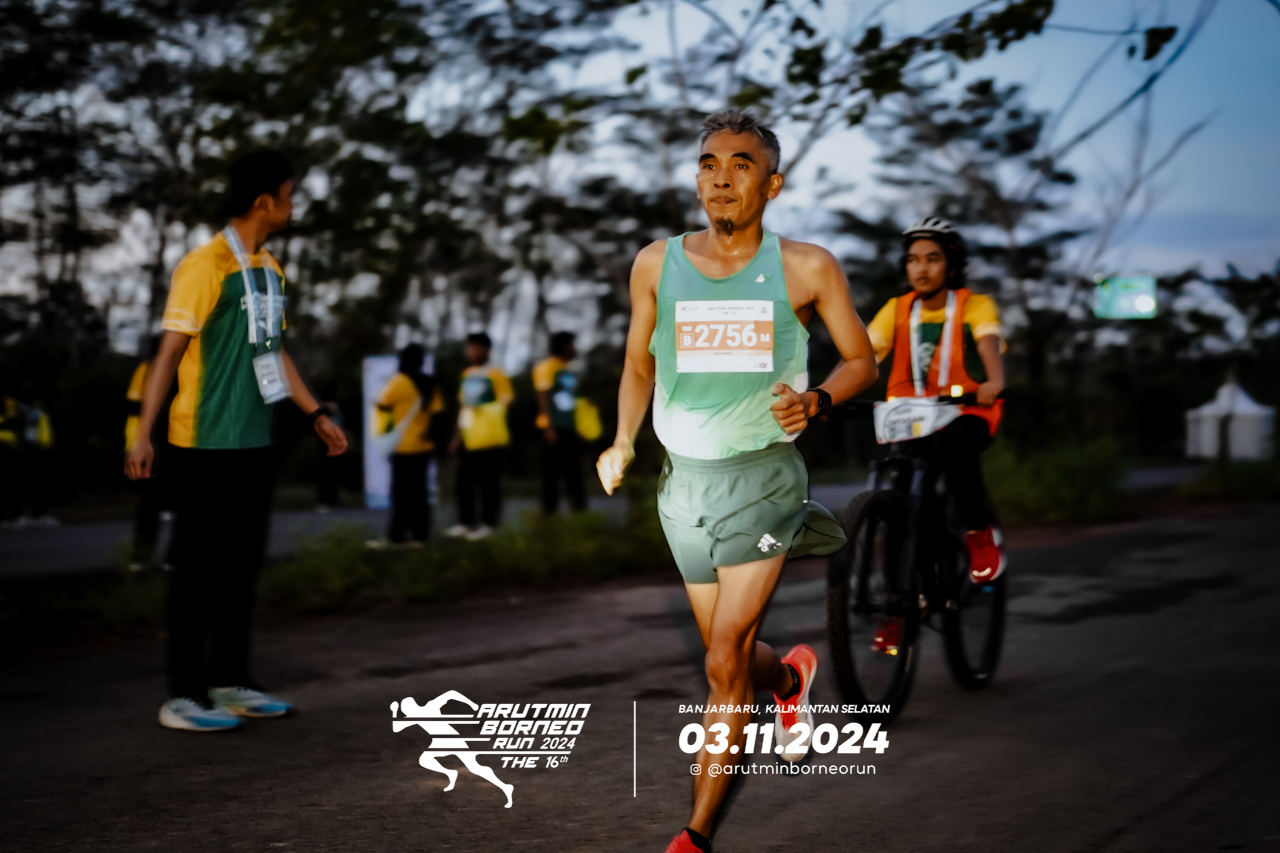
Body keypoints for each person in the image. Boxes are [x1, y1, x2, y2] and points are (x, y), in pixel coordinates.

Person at [596, 110, 879, 853]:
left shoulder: (807, 267)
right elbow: (637, 364)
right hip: (683, 488)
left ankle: (694, 836)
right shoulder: (655, 263)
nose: (721, 178)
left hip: (763, 481)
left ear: (772, 185)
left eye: (741, 164)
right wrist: (622, 439)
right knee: (732, 654)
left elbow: (861, 360)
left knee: (722, 661)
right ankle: (787, 680)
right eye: (709, 164)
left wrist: (818, 400)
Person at [124, 149, 349, 732]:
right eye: (289, 195)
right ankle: (183, 694)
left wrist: (315, 412)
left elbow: (272, 350)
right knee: (196, 570)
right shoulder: (205, 265)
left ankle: (231, 682)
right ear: (263, 201)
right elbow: (168, 354)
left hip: (253, 440)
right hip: (201, 442)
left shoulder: (271, 269)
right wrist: (143, 434)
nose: (293, 205)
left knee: (241, 567)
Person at [864, 216, 1006, 588]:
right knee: (900, 496)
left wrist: (994, 380)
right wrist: (825, 394)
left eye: (932, 259)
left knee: (954, 448)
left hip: (968, 410)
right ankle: (900, 599)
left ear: (952, 266)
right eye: (913, 260)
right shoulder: (896, 309)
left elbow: (988, 343)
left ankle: (978, 533)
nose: (921, 268)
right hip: (912, 416)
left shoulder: (974, 305)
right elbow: (862, 357)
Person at [374, 343, 445, 544]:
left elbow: (381, 403)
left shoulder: (398, 382)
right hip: (424, 445)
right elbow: (439, 414)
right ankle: (420, 535)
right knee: (420, 493)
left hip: (402, 446)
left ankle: (397, 536)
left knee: (400, 494)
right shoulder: (430, 384)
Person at [446, 332, 512, 540]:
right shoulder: (467, 375)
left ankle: (489, 524)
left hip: (489, 437)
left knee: (489, 483)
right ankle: (466, 522)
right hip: (469, 437)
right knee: (464, 482)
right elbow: (464, 408)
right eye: (469, 348)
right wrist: (456, 437)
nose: (470, 352)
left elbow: (506, 400)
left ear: (486, 350)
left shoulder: (496, 374)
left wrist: (485, 410)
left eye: (474, 348)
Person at [125, 336, 175, 568]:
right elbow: (133, 406)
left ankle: (148, 556)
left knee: (152, 503)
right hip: (156, 443)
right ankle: (146, 555)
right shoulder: (149, 370)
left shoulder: (150, 370)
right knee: (152, 503)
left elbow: (133, 405)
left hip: (164, 442)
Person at [533, 331, 586, 514]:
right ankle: (549, 513)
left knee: (574, 472)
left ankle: (578, 511)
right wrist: (548, 427)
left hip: (571, 427)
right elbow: (543, 396)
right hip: (554, 428)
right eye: (572, 345)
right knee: (551, 473)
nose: (574, 349)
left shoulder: (570, 369)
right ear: (564, 346)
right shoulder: (547, 367)